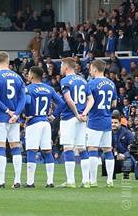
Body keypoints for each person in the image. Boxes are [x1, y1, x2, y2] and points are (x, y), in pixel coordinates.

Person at [0, 51, 27, 188]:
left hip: (1, 117)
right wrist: (16, 114)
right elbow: (23, 99)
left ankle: (1, 180)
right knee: (15, 147)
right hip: (15, 119)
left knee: (0, 148)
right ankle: (17, 181)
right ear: (8, 61)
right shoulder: (18, 77)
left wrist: (7, 111)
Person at [82, 59, 118, 188]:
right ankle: (109, 180)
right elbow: (114, 104)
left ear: (95, 69)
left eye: (91, 68)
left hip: (95, 120)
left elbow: (88, 102)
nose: (90, 71)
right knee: (108, 150)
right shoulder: (111, 84)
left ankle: (93, 180)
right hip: (107, 120)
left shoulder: (91, 84)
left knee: (92, 149)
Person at [23, 66, 60, 188]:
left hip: (34, 122)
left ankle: (30, 182)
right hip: (45, 122)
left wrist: (27, 115)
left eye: (28, 73)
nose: (27, 75)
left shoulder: (28, 88)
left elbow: (27, 102)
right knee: (47, 151)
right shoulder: (49, 88)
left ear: (32, 75)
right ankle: (50, 181)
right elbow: (62, 103)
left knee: (31, 151)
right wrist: (53, 116)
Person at [57, 57, 88, 187]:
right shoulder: (83, 80)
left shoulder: (65, 80)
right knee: (81, 147)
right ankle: (86, 181)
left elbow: (69, 100)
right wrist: (84, 113)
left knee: (68, 147)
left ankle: (71, 181)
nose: (60, 68)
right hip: (82, 117)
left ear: (66, 67)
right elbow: (90, 99)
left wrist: (76, 114)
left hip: (70, 117)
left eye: (61, 65)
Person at [111, 114, 134, 180]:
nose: (113, 124)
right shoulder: (107, 133)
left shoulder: (127, 133)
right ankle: (111, 176)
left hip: (125, 157)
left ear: (120, 123)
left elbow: (133, 148)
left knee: (127, 160)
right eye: (112, 123)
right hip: (113, 156)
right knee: (104, 156)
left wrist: (124, 155)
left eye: (115, 123)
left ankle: (126, 175)